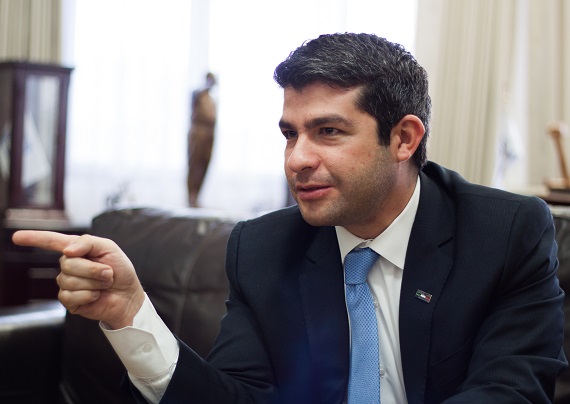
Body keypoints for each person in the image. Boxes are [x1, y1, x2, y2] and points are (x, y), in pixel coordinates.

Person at [13, 33, 567, 403]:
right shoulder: (262, 248)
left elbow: (509, 392)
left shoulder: (505, 232)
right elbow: (235, 397)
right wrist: (133, 313)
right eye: (289, 133)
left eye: (328, 131)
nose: (297, 159)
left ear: (404, 138)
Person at [187, 72, 217, 207]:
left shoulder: (212, 100)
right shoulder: (198, 94)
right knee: (195, 164)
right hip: (198, 132)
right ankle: (191, 196)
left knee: (205, 164)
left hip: (210, 133)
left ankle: (198, 195)